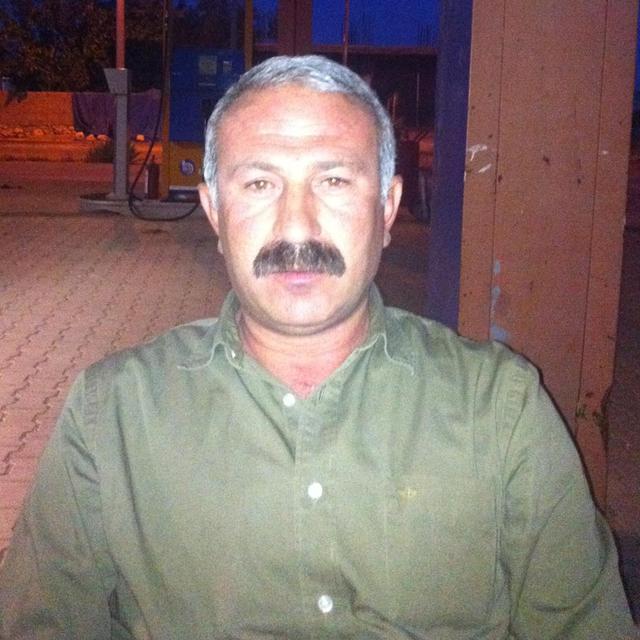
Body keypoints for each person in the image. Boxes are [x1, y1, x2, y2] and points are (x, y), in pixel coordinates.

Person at [0, 55, 635, 640]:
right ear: (214, 212)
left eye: (333, 180)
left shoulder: (501, 408)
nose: (297, 227)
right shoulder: (111, 412)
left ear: (387, 208)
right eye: (260, 184)